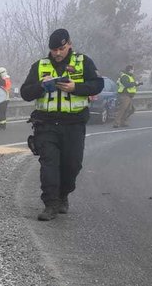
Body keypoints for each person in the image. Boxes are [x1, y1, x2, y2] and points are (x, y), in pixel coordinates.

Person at [20, 28, 104, 221]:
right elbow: (25, 93)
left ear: (69, 45)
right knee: (49, 165)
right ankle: (50, 204)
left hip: (73, 124)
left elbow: (98, 84)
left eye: (61, 49)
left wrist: (76, 88)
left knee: (72, 165)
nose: (57, 53)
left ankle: (63, 195)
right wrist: (41, 86)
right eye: (53, 50)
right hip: (46, 124)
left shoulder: (83, 62)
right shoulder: (39, 66)